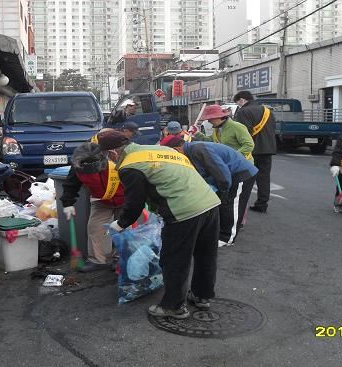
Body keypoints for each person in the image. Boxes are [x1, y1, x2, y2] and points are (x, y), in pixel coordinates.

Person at [97, 130, 221, 319]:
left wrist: (121, 224)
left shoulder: (129, 165)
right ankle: (201, 296)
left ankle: (173, 306)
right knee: (206, 255)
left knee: (175, 259)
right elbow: (165, 180)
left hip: (184, 211)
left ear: (113, 152)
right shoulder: (159, 150)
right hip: (210, 203)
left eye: (107, 155)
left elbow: (135, 202)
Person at [161, 136, 257, 247]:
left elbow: (220, 170)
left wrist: (224, 190)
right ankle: (222, 232)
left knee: (232, 205)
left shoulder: (197, 149)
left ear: (176, 149)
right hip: (229, 176)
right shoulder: (191, 150)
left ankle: (228, 237)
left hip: (240, 173)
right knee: (223, 204)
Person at [60, 142, 124, 272]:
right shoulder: (78, 164)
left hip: (124, 199)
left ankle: (120, 258)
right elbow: (70, 184)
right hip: (101, 201)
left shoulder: (117, 160)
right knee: (94, 228)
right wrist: (68, 203)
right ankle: (97, 260)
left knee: (122, 230)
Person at [233, 91, 277, 213]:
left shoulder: (243, 111)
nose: (239, 106)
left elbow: (244, 132)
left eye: (238, 103)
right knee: (264, 177)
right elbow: (273, 128)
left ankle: (241, 207)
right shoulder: (267, 111)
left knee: (246, 177)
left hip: (251, 150)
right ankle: (262, 204)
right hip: (267, 149)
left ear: (242, 100)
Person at [190, 105, 254, 163]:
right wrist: (197, 133)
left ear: (219, 117)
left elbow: (249, 145)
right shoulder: (217, 128)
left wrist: (234, 156)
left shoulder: (236, 127)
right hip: (228, 163)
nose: (209, 121)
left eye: (210, 119)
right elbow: (211, 140)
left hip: (243, 163)